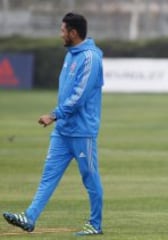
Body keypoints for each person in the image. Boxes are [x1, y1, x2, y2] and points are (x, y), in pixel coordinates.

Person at [3, 12, 104, 236]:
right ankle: (29, 216)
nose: (60, 35)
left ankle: (95, 224)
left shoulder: (90, 58)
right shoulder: (70, 55)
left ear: (73, 33)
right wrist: (59, 119)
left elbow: (80, 96)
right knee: (49, 174)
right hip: (63, 131)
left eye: (62, 31)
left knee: (90, 176)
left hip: (82, 131)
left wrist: (54, 115)